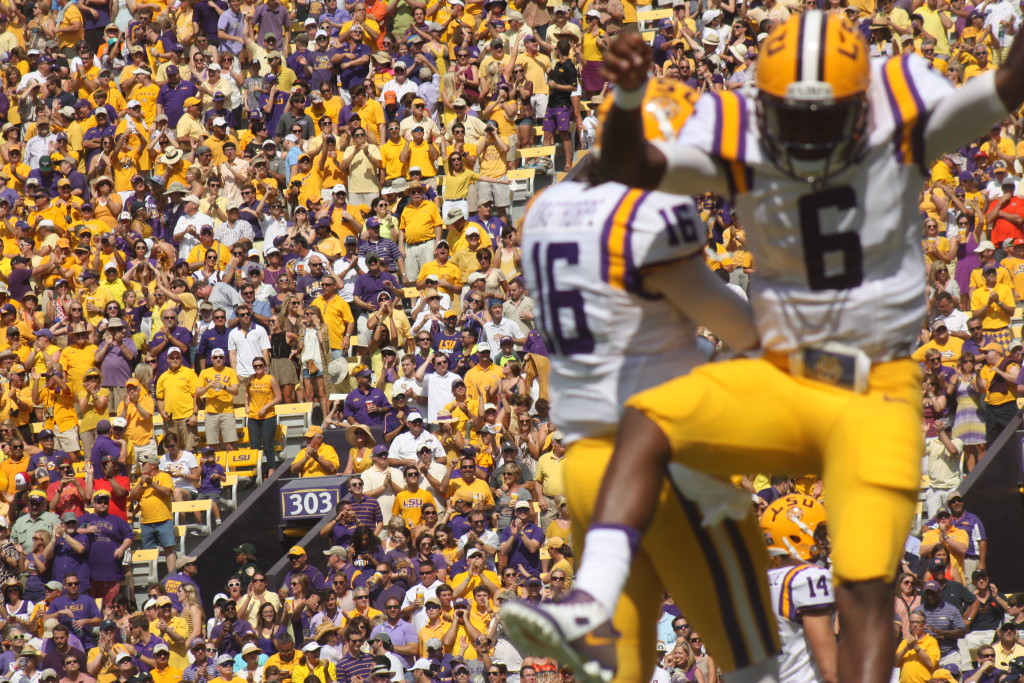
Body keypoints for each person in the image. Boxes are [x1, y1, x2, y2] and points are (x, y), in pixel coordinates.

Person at [503, 8, 1024, 683]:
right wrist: (630, 96)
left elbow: (1009, 81)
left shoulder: (901, 115)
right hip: (786, 375)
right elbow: (636, 165)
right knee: (652, 417)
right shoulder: (747, 132)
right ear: (766, 102)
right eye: (792, 115)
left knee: (866, 588)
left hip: (873, 389)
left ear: (860, 102)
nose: (805, 133)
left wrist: (629, 102)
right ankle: (587, 599)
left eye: (822, 115)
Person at [499, 79, 764, 683]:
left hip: (590, 473)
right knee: (760, 664)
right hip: (666, 473)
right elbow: (743, 332)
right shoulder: (651, 217)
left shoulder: (542, 216)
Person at [761, 495, 836, 683]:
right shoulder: (809, 577)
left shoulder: (763, 580)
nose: (825, 541)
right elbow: (830, 671)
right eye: (819, 533)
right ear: (797, 536)